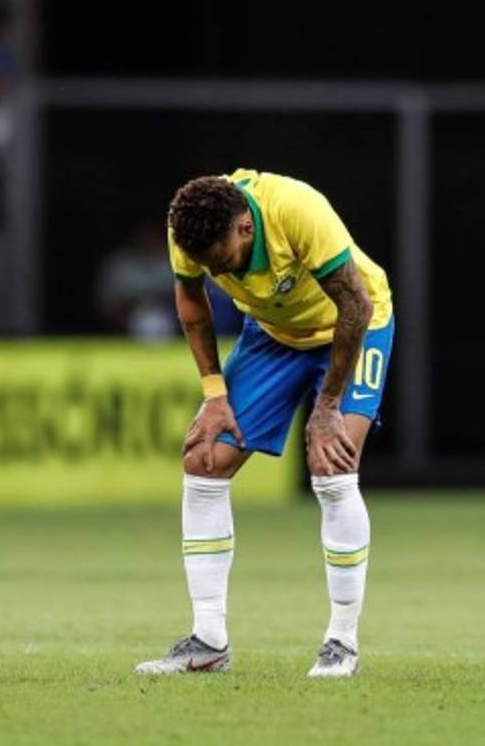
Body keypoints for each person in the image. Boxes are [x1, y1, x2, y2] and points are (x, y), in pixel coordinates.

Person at [135, 169, 394, 678]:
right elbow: (191, 303)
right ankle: (208, 640)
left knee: (332, 466)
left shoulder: (296, 209)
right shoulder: (185, 228)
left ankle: (342, 640)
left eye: (222, 259)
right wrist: (214, 393)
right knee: (204, 459)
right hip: (275, 332)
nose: (216, 269)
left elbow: (355, 304)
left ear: (245, 230)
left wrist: (327, 407)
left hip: (354, 325)